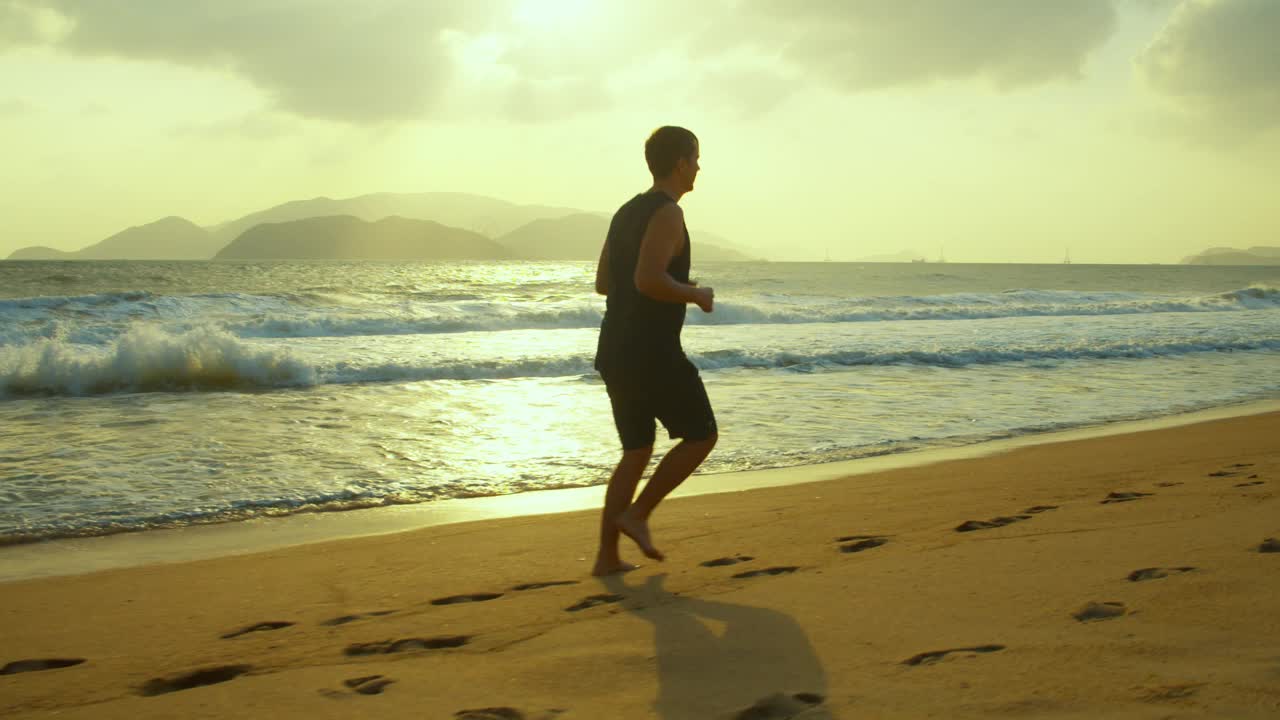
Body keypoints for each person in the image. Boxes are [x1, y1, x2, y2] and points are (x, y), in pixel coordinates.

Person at [591, 125, 718, 576]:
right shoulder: (667, 214)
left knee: (636, 449)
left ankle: (607, 558)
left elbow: (605, 283)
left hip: (615, 348)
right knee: (702, 435)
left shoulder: (625, 212)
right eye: (696, 158)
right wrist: (695, 292)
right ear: (681, 162)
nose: (699, 167)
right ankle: (638, 515)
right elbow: (648, 280)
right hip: (651, 350)